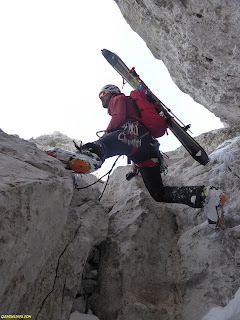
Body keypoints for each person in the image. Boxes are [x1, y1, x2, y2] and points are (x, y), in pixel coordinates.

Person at [46, 84, 226, 228]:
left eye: (102, 95)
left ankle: (89, 156)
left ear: (111, 92)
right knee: (158, 192)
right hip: (147, 150)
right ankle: (206, 196)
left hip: (133, 136)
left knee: (105, 144)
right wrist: (135, 166)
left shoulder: (118, 98)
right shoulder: (127, 104)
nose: (102, 99)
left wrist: (105, 137)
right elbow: (131, 146)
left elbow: (118, 118)